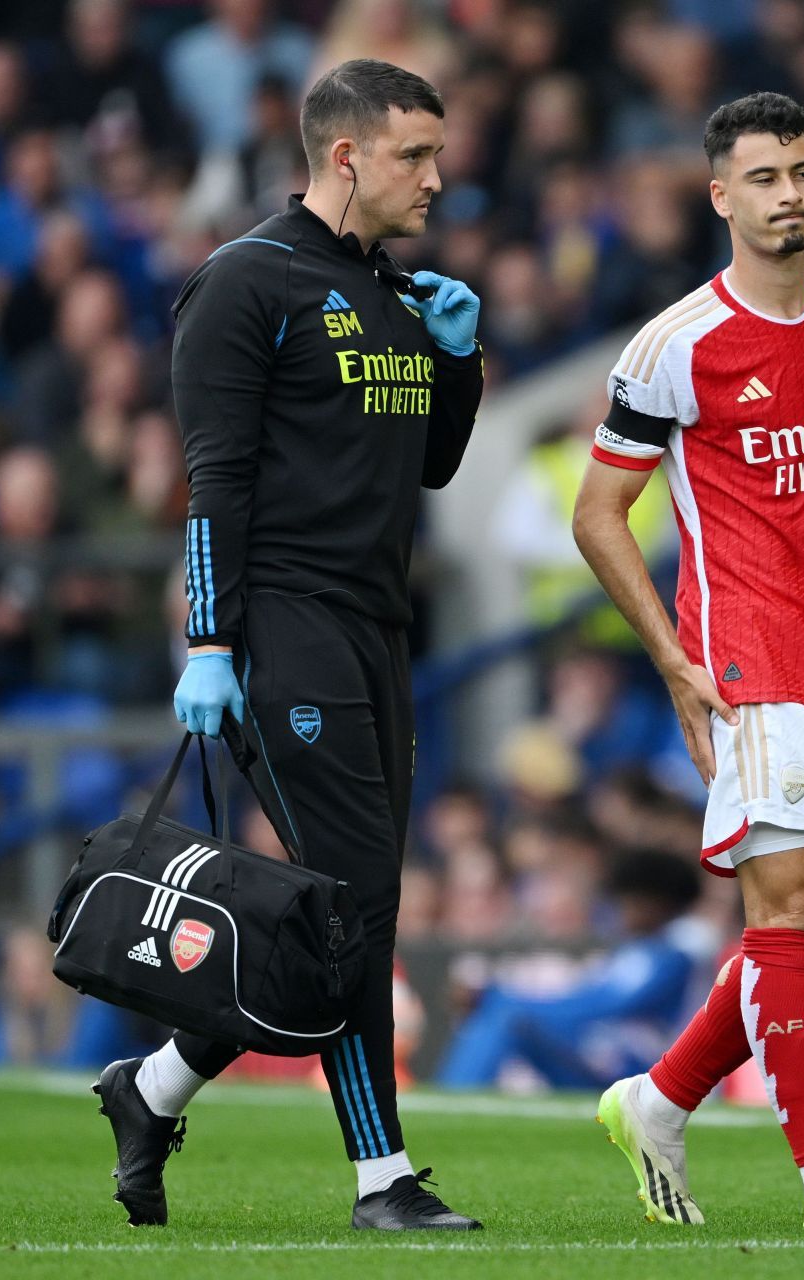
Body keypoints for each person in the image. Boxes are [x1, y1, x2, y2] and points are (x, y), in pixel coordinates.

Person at [91, 59, 485, 1233]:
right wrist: (209, 639)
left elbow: (432, 466)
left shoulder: (389, 291)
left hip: (377, 629)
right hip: (281, 630)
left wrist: (455, 360)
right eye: (415, 153)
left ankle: (150, 1086)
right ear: (346, 156)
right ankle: (383, 1178)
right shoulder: (242, 283)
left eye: (439, 152)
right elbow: (212, 480)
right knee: (357, 908)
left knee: (341, 909)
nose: (436, 175)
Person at [572, 92, 804, 1230]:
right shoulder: (675, 347)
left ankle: (660, 1095)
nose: (790, 195)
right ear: (721, 196)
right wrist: (673, 660)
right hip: (747, 659)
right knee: (785, 912)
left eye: (803, 172)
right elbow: (600, 514)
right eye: (764, 178)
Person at [435, 851, 716, 1090]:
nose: (623, 910)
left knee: (506, 1017)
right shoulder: (638, 951)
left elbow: (593, 1008)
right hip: (609, 1065)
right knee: (502, 1017)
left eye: (632, 900)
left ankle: (448, 1103)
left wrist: (495, 995)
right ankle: (448, 1099)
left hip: (640, 1076)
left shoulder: (671, 956)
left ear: (659, 903)